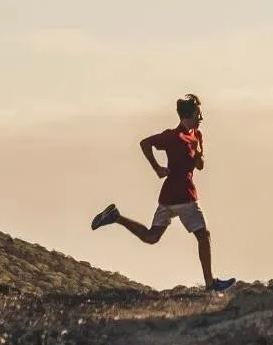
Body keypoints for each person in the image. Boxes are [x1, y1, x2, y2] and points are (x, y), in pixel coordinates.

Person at [90, 93, 236, 292]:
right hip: (184, 195)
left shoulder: (197, 135)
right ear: (187, 115)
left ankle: (115, 217)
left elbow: (200, 166)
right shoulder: (172, 136)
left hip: (168, 196)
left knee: (152, 237)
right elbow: (145, 143)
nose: (201, 118)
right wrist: (157, 167)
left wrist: (199, 151)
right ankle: (210, 284)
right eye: (198, 114)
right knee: (204, 235)